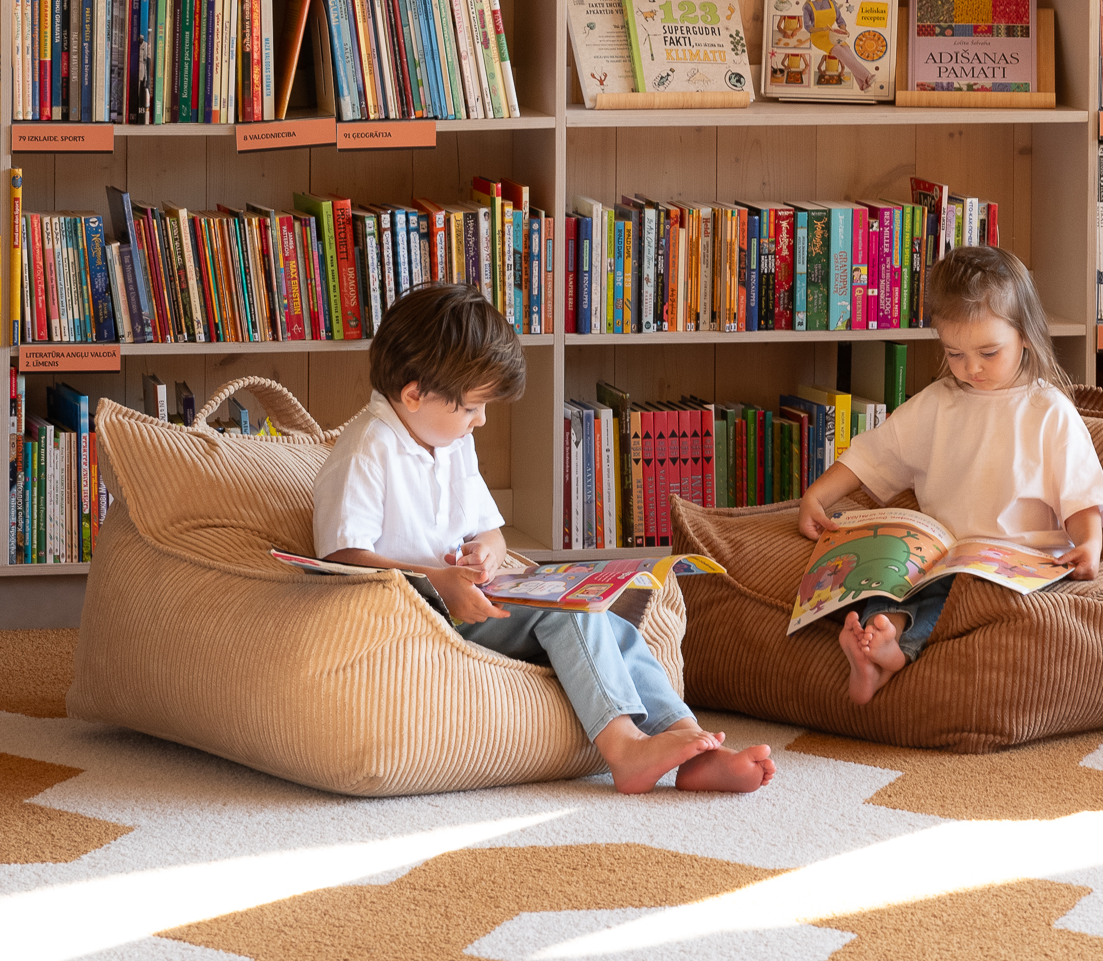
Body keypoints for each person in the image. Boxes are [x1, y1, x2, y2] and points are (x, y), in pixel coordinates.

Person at [314, 282, 775, 793]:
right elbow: (342, 558)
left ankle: (688, 740)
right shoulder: (367, 450)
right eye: (472, 407)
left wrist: (487, 553)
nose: (481, 420)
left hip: (472, 599)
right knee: (567, 613)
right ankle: (624, 749)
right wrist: (438, 581)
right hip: (418, 613)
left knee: (608, 622)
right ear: (414, 394)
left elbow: (489, 530)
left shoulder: (449, 439)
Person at [797, 245, 1103, 706]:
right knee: (891, 572)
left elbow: (1080, 495)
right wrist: (817, 496)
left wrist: (1090, 545)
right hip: (940, 552)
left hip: (1015, 562)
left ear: (1025, 335)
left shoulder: (1049, 411)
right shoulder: (938, 402)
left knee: (957, 590)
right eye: (955, 353)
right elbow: (874, 454)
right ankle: (878, 640)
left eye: (988, 352)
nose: (972, 368)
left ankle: (893, 650)